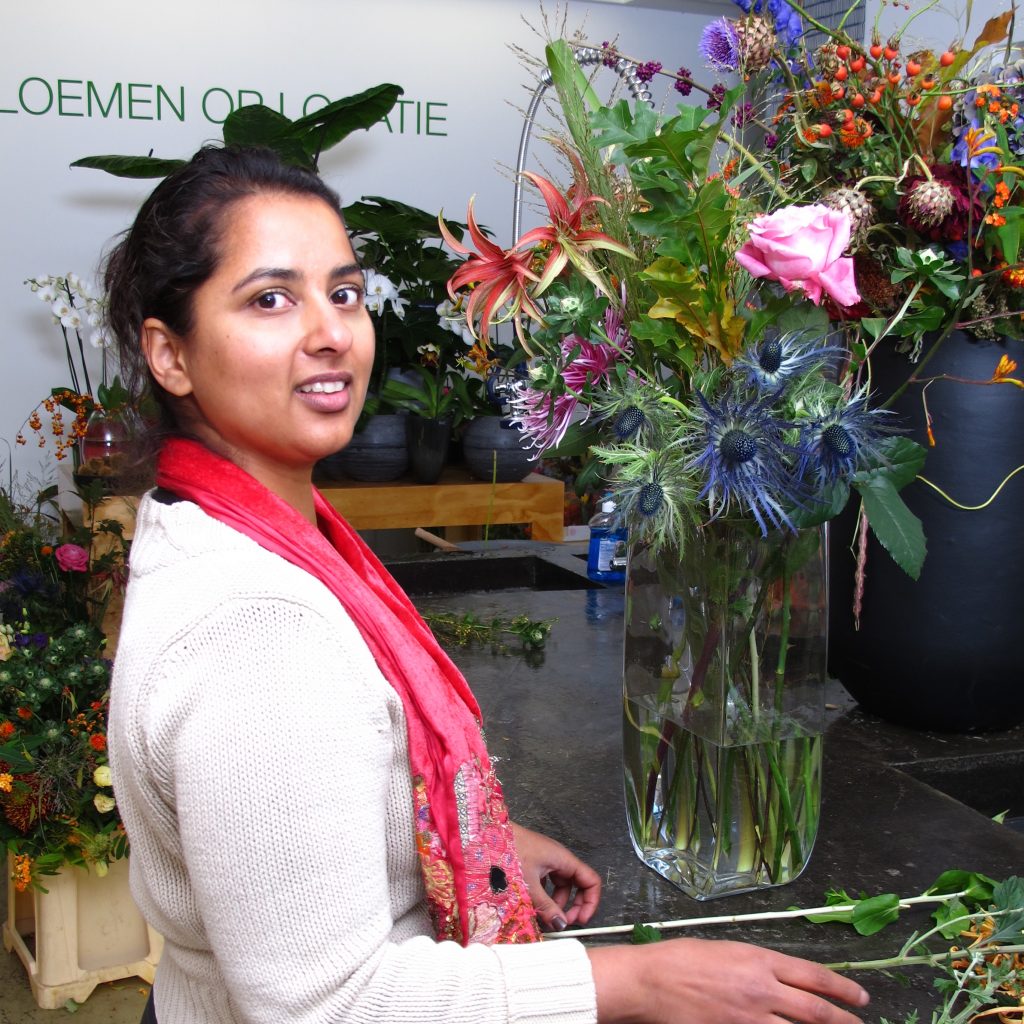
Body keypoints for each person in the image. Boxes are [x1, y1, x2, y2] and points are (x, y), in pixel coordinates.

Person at [106, 144, 870, 1024]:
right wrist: (636, 982)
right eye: (270, 299)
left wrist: (470, 842)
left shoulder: (231, 525)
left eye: (343, 292)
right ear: (170, 355)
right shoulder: (258, 629)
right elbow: (324, 1006)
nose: (331, 332)